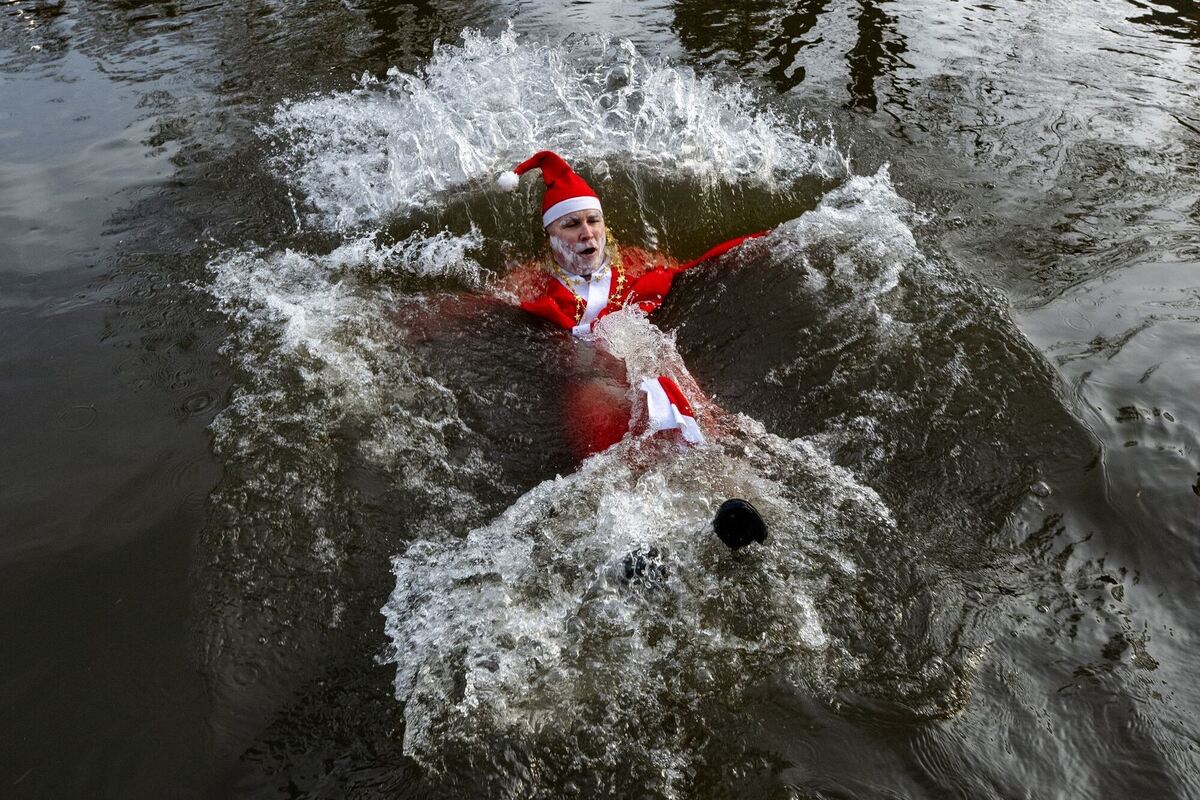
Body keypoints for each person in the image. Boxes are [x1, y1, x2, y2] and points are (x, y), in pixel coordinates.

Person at [497, 150, 766, 455]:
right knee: (616, 440)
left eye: (593, 221)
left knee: (700, 425)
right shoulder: (530, 281)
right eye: (571, 225)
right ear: (551, 237)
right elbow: (487, 305)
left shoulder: (635, 261)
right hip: (590, 375)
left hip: (645, 358)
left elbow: (687, 270)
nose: (587, 233)